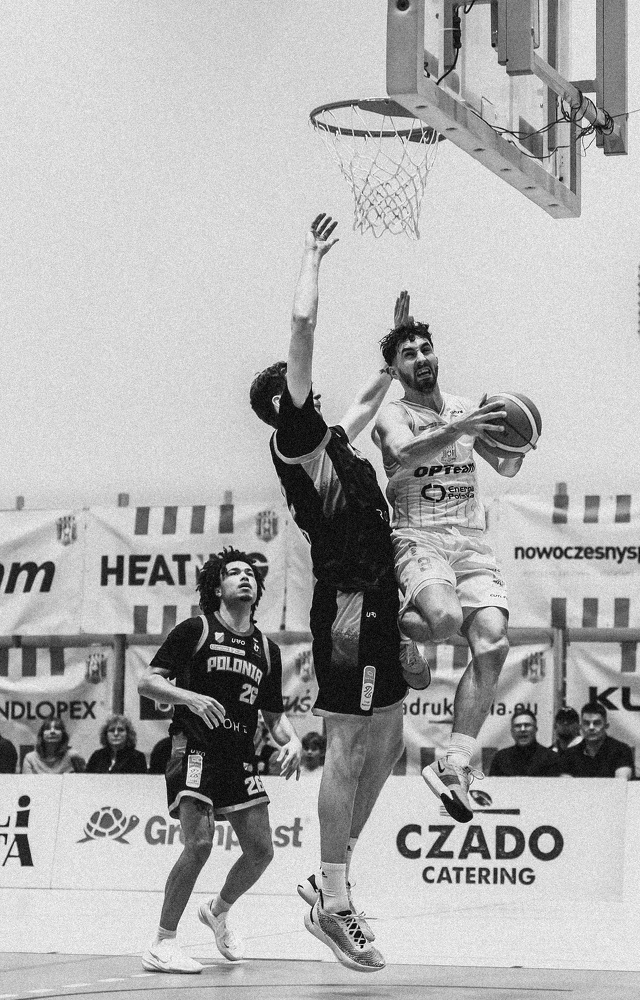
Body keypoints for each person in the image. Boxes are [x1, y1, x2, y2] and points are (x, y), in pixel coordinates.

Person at [249, 214, 413, 973]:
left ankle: (332, 871)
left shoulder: (332, 442)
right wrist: (311, 258)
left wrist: (394, 350)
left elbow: (367, 403)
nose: (309, 391)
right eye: (297, 388)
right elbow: (303, 327)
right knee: (348, 744)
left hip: (378, 600)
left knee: (391, 739)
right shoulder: (295, 442)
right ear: (285, 404)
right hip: (348, 606)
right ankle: (334, 897)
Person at [372, 292, 527, 823]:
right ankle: (395, 632)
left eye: (425, 349)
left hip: (470, 539)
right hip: (420, 534)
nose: (420, 357)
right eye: (408, 353)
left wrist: (519, 438)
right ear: (395, 370)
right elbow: (401, 453)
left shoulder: (465, 408)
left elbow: (504, 467)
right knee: (442, 620)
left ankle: (455, 760)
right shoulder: (393, 414)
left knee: (494, 641)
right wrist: (460, 429)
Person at [137, 548, 302, 975]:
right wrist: (189, 697)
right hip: (194, 746)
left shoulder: (267, 649)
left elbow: (274, 716)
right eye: (234, 573)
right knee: (199, 843)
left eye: (251, 574)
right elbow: (147, 681)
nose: (245, 577)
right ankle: (162, 943)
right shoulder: (196, 629)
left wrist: (294, 741)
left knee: (261, 851)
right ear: (216, 587)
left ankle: (218, 910)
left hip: (238, 755)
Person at [560, 702, 634, 779]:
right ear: (580, 727)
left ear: (606, 725)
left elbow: (620, 782)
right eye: (586, 723)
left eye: (597, 723)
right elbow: (566, 785)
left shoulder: (621, 751)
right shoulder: (569, 755)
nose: (591, 727)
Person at [488, 710, 561, 777]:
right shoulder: (501, 758)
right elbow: (492, 785)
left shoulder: (551, 758)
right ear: (512, 732)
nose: (522, 729)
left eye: (527, 725)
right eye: (517, 726)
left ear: (535, 729)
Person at [21, 719, 85, 774]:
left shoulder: (73, 756)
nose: (52, 732)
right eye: (48, 729)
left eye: (57, 728)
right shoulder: (30, 758)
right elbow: (26, 783)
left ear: (63, 734)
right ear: (41, 734)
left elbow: (83, 780)